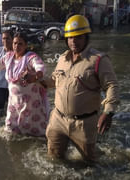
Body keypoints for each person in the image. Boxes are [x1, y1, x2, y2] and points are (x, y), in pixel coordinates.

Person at [45, 15, 119, 162]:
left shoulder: (98, 60)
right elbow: (54, 81)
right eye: (70, 37)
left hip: (84, 124)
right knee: (53, 160)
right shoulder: (62, 59)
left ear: (86, 37)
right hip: (58, 119)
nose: (74, 41)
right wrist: (35, 79)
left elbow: (111, 85)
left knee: (89, 164)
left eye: (78, 37)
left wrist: (108, 112)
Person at [0, 32, 49, 136]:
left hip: (31, 105)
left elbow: (40, 67)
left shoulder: (31, 57)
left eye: (20, 44)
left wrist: (35, 76)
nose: (17, 46)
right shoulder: (8, 57)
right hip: (13, 104)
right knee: (10, 132)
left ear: (26, 45)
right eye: (15, 43)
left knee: (35, 134)